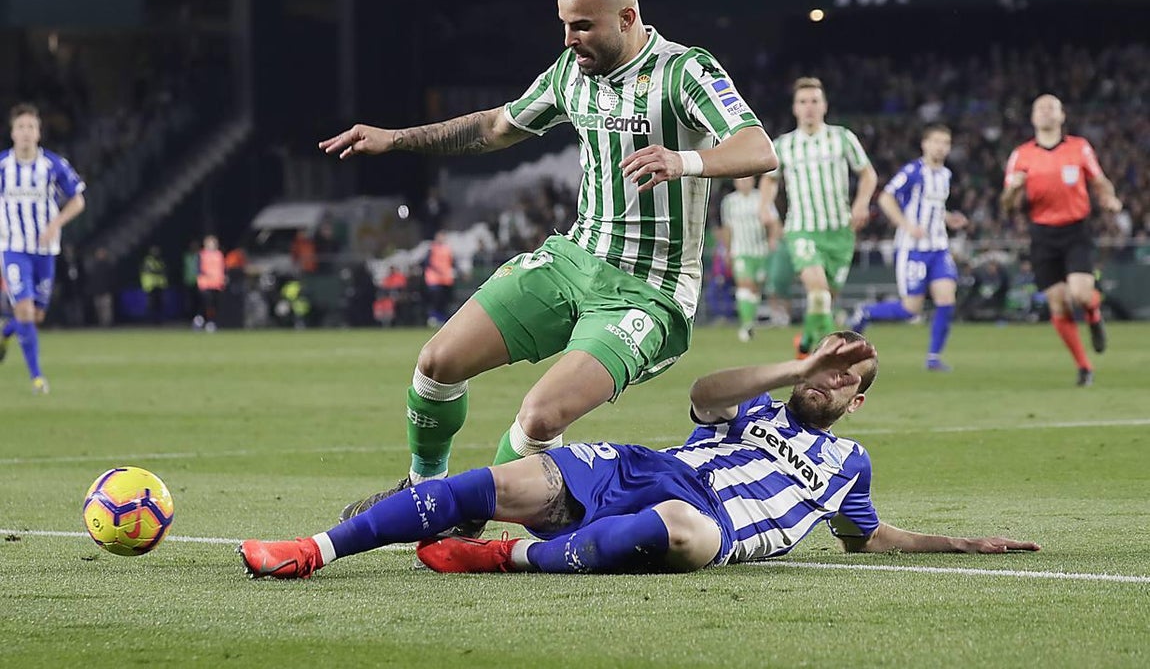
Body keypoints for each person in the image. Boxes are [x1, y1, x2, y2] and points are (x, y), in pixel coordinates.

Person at [319, 0, 777, 526]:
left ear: (628, 17)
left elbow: (758, 149)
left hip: (646, 291)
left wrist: (682, 160)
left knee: (538, 418)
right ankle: (426, 497)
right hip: (574, 260)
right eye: (564, 25)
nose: (570, 39)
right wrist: (395, 139)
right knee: (437, 362)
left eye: (583, 26)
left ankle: (485, 509)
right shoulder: (570, 75)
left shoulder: (685, 72)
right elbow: (495, 127)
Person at [237, 331, 1039, 579]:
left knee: (682, 526)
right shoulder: (757, 400)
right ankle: (311, 550)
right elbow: (708, 388)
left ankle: (508, 561)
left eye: (842, 381)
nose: (827, 384)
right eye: (823, 370)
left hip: (707, 522)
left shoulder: (849, 464)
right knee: (489, 480)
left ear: (857, 400)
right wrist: (795, 366)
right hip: (642, 465)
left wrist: (964, 541)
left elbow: (872, 536)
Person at [1001, 94, 1121, 386]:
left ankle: (1093, 314)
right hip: (1042, 234)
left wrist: (1110, 198)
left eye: (1051, 107)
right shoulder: (1022, 154)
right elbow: (1006, 206)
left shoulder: (1079, 148)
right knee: (1059, 303)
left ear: (1062, 115)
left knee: (1080, 295)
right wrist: (1014, 190)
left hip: (1076, 229)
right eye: (1039, 108)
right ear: (1032, 118)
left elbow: (1099, 180)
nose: (1045, 112)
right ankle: (1084, 366)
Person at [759, 78, 877, 358]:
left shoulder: (842, 138)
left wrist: (861, 204)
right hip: (801, 229)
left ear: (824, 106)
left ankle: (806, 343)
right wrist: (765, 206)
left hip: (840, 231)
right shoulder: (784, 145)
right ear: (794, 108)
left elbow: (867, 173)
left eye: (814, 101)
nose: (809, 107)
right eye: (803, 102)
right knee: (820, 294)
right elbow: (770, 179)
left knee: (825, 300)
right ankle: (831, 359)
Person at [849, 124, 968, 371]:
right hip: (912, 249)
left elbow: (933, 207)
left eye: (945, 142)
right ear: (924, 144)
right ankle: (866, 312)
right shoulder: (913, 171)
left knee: (946, 298)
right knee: (910, 309)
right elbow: (885, 197)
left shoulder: (945, 175)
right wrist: (906, 225)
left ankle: (933, 357)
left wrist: (949, 218)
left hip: (938, 247)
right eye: (936, 141)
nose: (941, 147)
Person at [0, 103, 86, 393]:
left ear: (38, 133)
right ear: (12, 133)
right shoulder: (2, 167)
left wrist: (56, 224)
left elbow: (78, 200)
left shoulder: (52, 165)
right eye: (21, 127)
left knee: (35, 316)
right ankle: (37, 377)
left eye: (31, 128)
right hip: (13, 248)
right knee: (23, 308)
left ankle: (5, 331)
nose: (26, 133)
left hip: (45, 251)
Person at [719, 176, 781, 341]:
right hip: (740, 250)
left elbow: (774, 222)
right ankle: (746, 325)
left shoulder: (761, 197)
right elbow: (727, 227)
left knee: (754, 288)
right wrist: (727, 250)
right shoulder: (729, 202)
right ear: (735, 182)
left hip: (761, 250)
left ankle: (751, 321)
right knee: (744, 284)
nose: (744, 183)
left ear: (753, 181)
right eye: (740, 180)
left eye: (747, 179)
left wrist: (773, 239)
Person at [422, 230, 456, 327]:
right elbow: (427, 263)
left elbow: (452, 262)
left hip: (446, 280)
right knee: (435, 299)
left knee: (444, 300)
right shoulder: (432, 248)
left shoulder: (448, 249)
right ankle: (433, 317)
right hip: (434, 279)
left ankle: (441, 318)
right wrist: (437, 270)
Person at [194, 235, 225, 332]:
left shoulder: (219, 255)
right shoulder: (202, 254)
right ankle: (202, 320)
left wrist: (223, 279)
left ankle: (209, 322)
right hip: (205, 284)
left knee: (214, 304)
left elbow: (222, 269)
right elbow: (198, 269)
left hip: (216, 284)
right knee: (206, 303)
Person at [85, 246, 115, 328]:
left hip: (106, 291)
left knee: (106, 310)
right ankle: (101, 324)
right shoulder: (94, 266)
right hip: (97, 291)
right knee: (98, 309)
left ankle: (107, 325)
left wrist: (110, 289)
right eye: (99, 253)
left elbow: (111, 279)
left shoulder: (108, 265)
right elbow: (92, 280)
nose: (100, 255)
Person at [139, 246, 167, 325]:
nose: (156, 253)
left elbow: (164, 271)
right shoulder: (148, 261)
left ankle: (159, 321)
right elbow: (151, 271)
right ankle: (151, 321)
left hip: (159, 286)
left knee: (160, 305)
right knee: (151, 305)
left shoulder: (160, 261)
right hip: (151, 286)